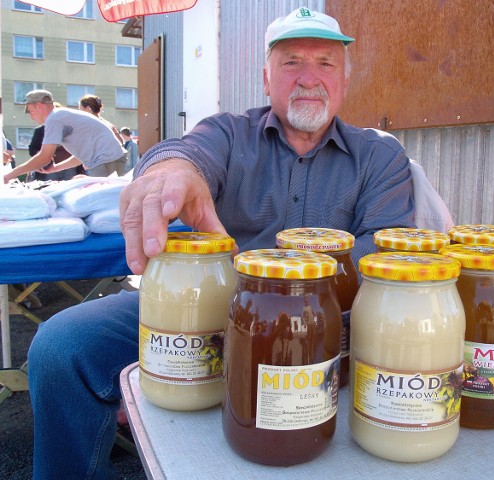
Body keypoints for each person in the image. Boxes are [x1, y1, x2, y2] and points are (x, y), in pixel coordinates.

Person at [27, 7, 420, 479]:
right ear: (266, 77)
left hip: (327, 322)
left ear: (345, 78)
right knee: (60, 346)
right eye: (291, 62)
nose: (309, 78)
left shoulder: (380, 156)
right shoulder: (229, 133)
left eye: (326, 63)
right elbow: (186, 153)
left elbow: (382, 248)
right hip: (208, 301)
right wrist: (170, 171)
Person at [2, 90, 127, 184]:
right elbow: (81, 155)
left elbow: (45, 156)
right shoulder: (61, 116)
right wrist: (55, 168)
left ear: (39, 106)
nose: (31, 117)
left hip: (106, 162)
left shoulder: (54, 119)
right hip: (111, 159)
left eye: (31, 111)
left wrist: (10, 175)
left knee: (104, 204)